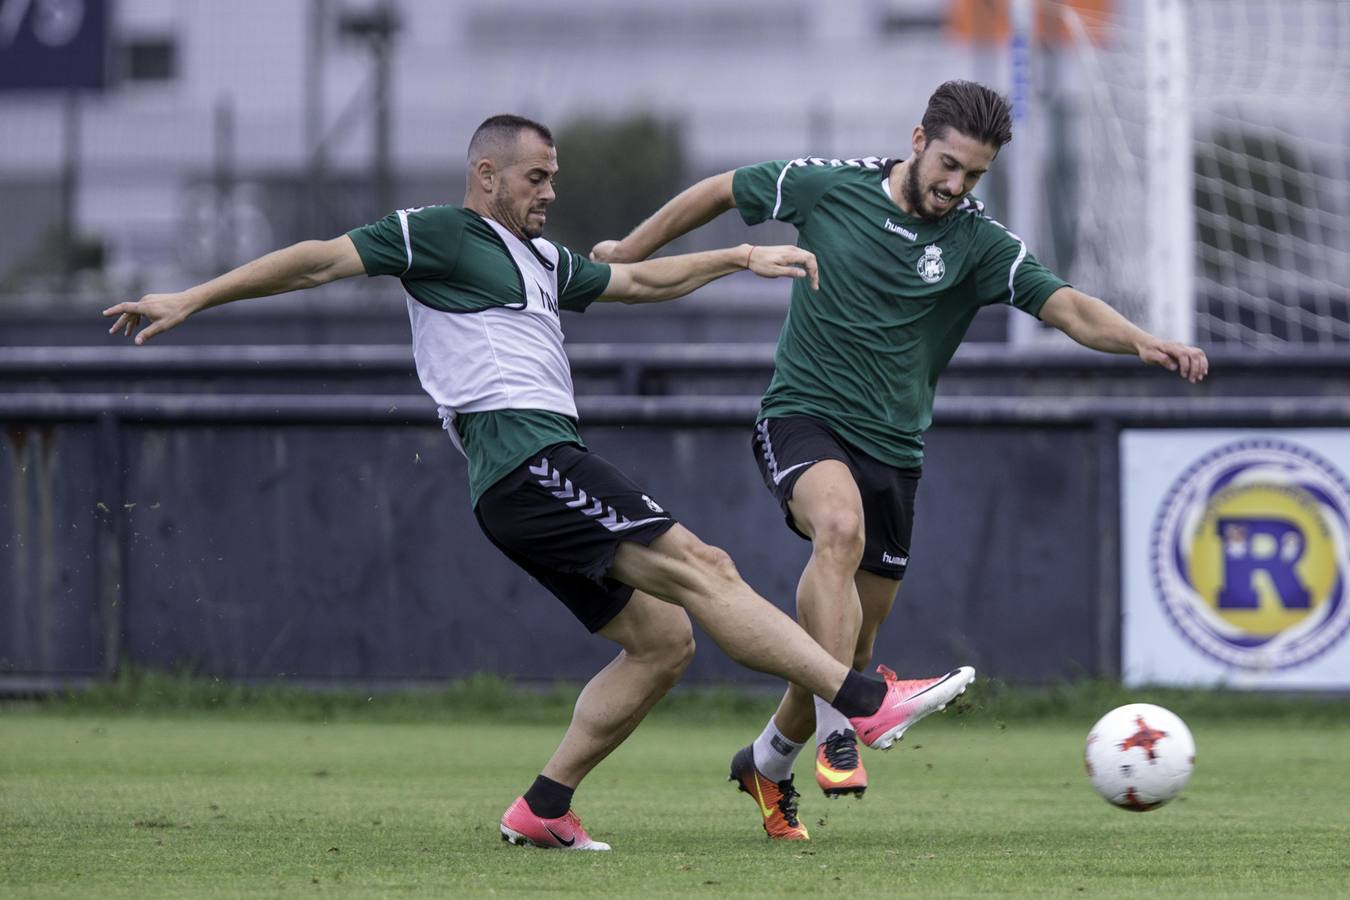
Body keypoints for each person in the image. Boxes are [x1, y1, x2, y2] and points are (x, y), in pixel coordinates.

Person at [103, 114, 976, 849]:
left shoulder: (539, 258)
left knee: (664, 642)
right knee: (705, 569)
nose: (549, 191)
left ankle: (543, 808)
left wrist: (739, 257)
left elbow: (634, 279)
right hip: (529, 461)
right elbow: (314, 259)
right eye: (535, 176)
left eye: (552, 177)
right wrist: (192, 298)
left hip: (528, 481)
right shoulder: (444, 234)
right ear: (486, 175)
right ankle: (858, 700)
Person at [592, 80, 1209, 839]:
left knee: (843, 646)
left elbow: (1069, 306)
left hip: (895, 452)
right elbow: (723, 188)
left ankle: (768, 762)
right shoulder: (828, 186)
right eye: (949, 164)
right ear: (918, 140)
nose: (956, 185)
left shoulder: (979, 243)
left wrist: (1142, 339)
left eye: (973, 175)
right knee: (838, 534)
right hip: (802, 419)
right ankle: (843, 730)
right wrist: (629, 251)